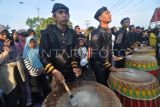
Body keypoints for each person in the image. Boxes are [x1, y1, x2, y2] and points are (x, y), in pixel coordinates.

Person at [39, 3, 81, 86]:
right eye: (60, 12)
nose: (64, 15)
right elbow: (42, 55)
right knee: (57, 97)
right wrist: (53, 71)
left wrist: (75, 67)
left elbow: (74, 53)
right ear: (54, 17)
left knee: (72, 96)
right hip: (54, 75)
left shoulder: (72, 33)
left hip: (70, 74)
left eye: (66, 13)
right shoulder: (47, 33)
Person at [90, 7, 119, 86]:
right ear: (100, 18)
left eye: (109, 12)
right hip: (100, 66)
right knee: (103, 87)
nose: (110, 14)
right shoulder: (96, 33)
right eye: (107, 13)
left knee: (109, 85)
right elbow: (96, 53)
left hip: (108, 63)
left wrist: (112, 55)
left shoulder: (109, 31)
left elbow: (107, 47)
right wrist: (109, 66)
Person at [0, 24, 26, 107]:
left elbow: (17, 55)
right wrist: (6, 51)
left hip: (18, 71)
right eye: (2, 34)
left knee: (22, 92)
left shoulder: (10, 43)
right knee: (12, 95)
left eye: (6, 33)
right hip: (7, 75)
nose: (5, 35)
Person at [23, 37, 50, 107]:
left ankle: (48, 101)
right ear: (28, 43)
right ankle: (38, 103)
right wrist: (38, 70)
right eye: (30, 42)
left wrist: (43, 68)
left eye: (34, 42)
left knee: (45, 88)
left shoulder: (39, 49)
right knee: (35, 90)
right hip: (33, 75)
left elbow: (44, 59)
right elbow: (27, 65)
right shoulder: (26, 52)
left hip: (42, 72)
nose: (32, 44)